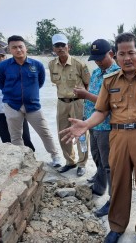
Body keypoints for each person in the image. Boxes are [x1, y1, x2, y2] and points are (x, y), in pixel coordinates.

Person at [60, 32, 136, 243]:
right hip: (118, 136)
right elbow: (101, 111)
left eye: (131, 53)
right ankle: (117, 226)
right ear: (116, 56)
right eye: (122, 54)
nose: (127, 58)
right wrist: (86, 124)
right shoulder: (109, 81)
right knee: (119, 184)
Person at [0, 35, 61, 166]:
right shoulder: (2, 67)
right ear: (9, 50)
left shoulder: (37, 65)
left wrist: (30, 95)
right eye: (14, 47)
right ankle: (21, 161)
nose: (18, 50)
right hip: (12, 106)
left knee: (45, 132)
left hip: (33, 106)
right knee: (15, 136)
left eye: (21, 46)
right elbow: (1, 84)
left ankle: (55, 157)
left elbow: (40, 82)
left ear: (26, 48)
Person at [73, 39, 120, 217]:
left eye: (102, 58)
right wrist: (85, 117)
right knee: (97, 158)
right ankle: (99, 187)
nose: (99, 61)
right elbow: (93, 98)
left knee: (109, 165)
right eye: (96, 58)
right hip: (92, 123)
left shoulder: (117, 74)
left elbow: (108, 102)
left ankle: (113, 199)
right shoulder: (95, 72)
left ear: (111, 54)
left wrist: (86, 95)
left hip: (106, 125)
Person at [48, 33, 90, 176]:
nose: (60, 48)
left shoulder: (79, 64)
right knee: (63, 133)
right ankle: (69, 161)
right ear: (53, 48)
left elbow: (87, 83)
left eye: (62, 45)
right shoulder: (52, 64)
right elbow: (55, 83)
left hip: (77, 103)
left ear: (68, 46)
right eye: (57, 46)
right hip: (61, 103)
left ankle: (82, 163)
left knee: (81, 134)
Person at [0, 48, 35, 151]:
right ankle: (12, 162)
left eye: (2, 56)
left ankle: (31, 160)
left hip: (16, 107)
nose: (0, 58)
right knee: (5, 138)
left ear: (6, 57)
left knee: (25, 136)